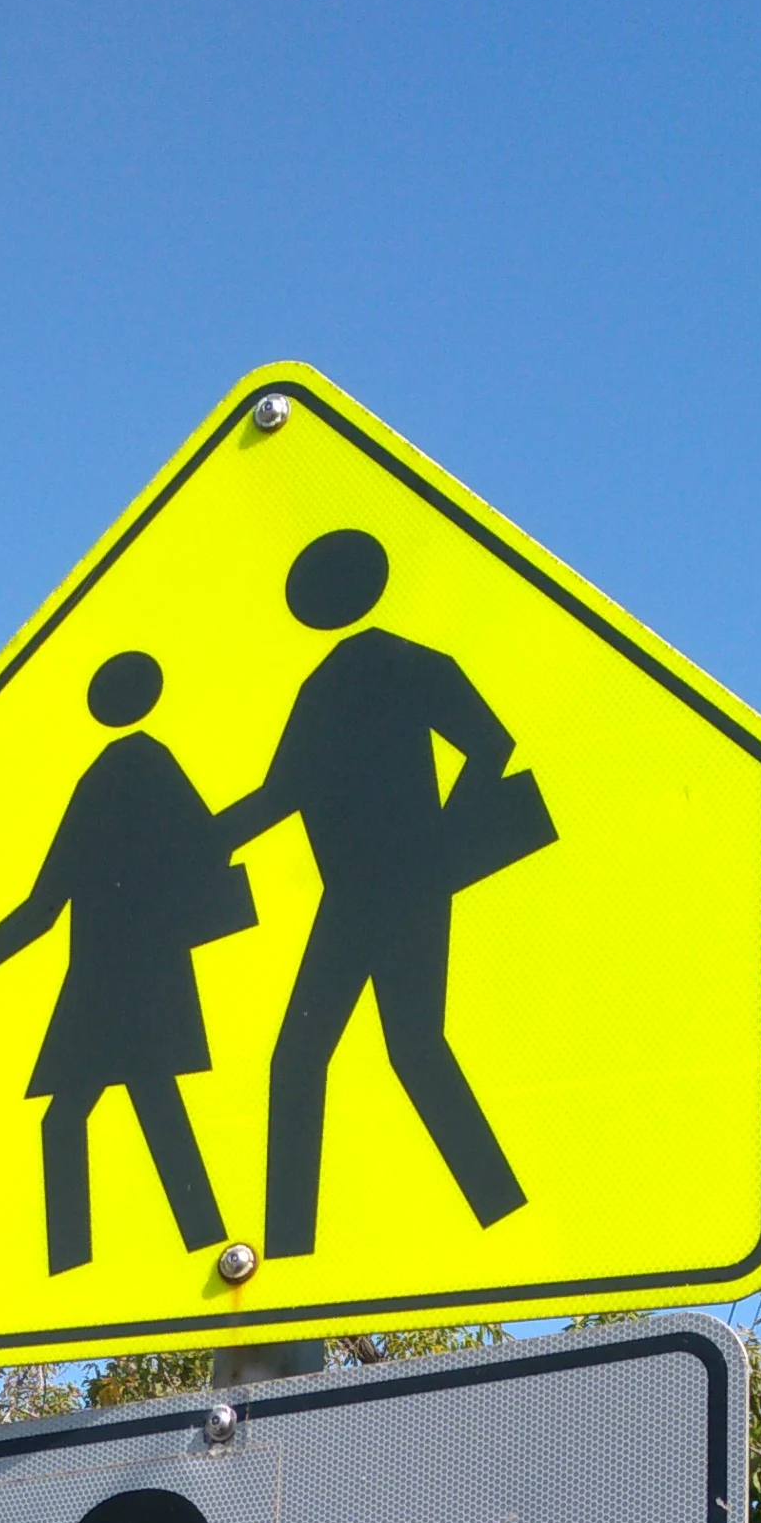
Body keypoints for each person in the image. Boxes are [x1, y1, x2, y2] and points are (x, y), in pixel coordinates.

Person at [218, 530, 554, 1258]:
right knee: (361, 1051)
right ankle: (295, 1249)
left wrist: (438, 841)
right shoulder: (336, 681)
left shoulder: (394, 666)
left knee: (370, 1050)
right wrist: (200, 843)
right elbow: (282, 794)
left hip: (396, 887)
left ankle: (488, 1209)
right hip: (363, 893)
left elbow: (490, 743)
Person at [0, 651, 254, 1274]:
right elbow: (205, 846)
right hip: (121, 978)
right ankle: (189, 1242)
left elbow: (45, 903)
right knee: (124, 1106)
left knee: (81, 1115)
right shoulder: (133, 768)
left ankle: (103, 1259)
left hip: (116, 979)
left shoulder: (119, 772)